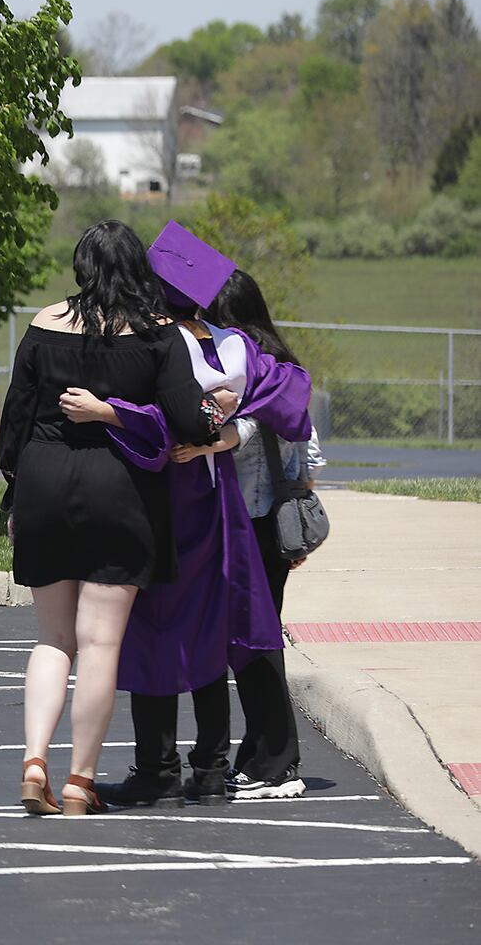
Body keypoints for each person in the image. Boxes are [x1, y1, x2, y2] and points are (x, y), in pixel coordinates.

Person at [62, 226, 312, 809]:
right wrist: (233, 421)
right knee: (209, 632)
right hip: (215, 508)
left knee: (150, 631)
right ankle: (211, 768)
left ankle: (157, 768)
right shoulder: (235, 347)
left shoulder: (146, 342)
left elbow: (152, 415)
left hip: (155, 497)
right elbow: (294, 392)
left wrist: (207, 426)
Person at [0, 219, 215, 816]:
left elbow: (15, 421)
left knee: (52, 639)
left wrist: (13, 494)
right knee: (100, 643)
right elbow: (190, 420)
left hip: (43, 482)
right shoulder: (158, 334)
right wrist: (216, 414)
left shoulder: (43, 325)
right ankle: (79, 781)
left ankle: (34, 762)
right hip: (120, 493)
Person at [202, 270, 325, 799]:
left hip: (247, 522)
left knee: (253, 643)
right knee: (258, 638)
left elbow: (234, 439)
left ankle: (276, 764)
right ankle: (259, 759)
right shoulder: (288, 370)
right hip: (273, 523)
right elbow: (311, 454)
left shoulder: (245, 372)